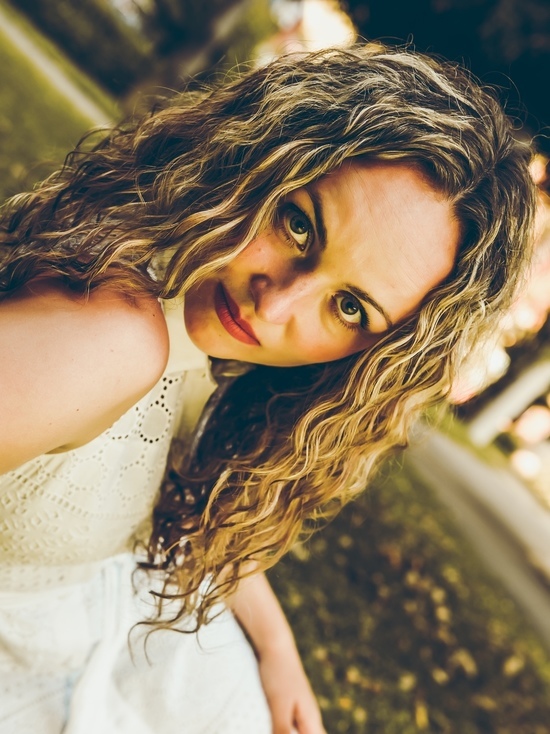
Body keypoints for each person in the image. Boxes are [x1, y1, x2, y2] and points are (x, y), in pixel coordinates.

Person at [0, 44, 536, 733]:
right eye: (299, 225)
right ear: (262, 156)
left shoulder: (185, 330)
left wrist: (277, 645)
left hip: (107, 616)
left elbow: (177, 494)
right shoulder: (113, 338)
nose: (275, 305)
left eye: (349, 307)